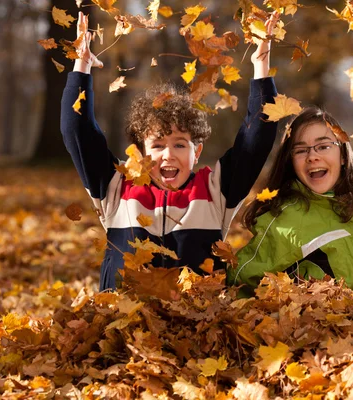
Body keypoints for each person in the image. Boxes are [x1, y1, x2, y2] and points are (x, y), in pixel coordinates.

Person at [61, 12, 280, 291]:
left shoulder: (214, 192)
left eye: (179, 144)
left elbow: (255, 141)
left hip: (195, 322)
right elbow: (77, 133)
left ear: (197, 151)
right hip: (125, 321)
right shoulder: (118, 188)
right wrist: (81, 68)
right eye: (157, 145)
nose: (168, 155)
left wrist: (261, 68)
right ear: (140, 152)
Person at [227, 107, 353, 295]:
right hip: (331, 322)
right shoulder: (284, 220)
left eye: (323, 146)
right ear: (291, 161)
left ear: (342, 155)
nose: (312, 156)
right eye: (300, 150)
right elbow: (241, 280)